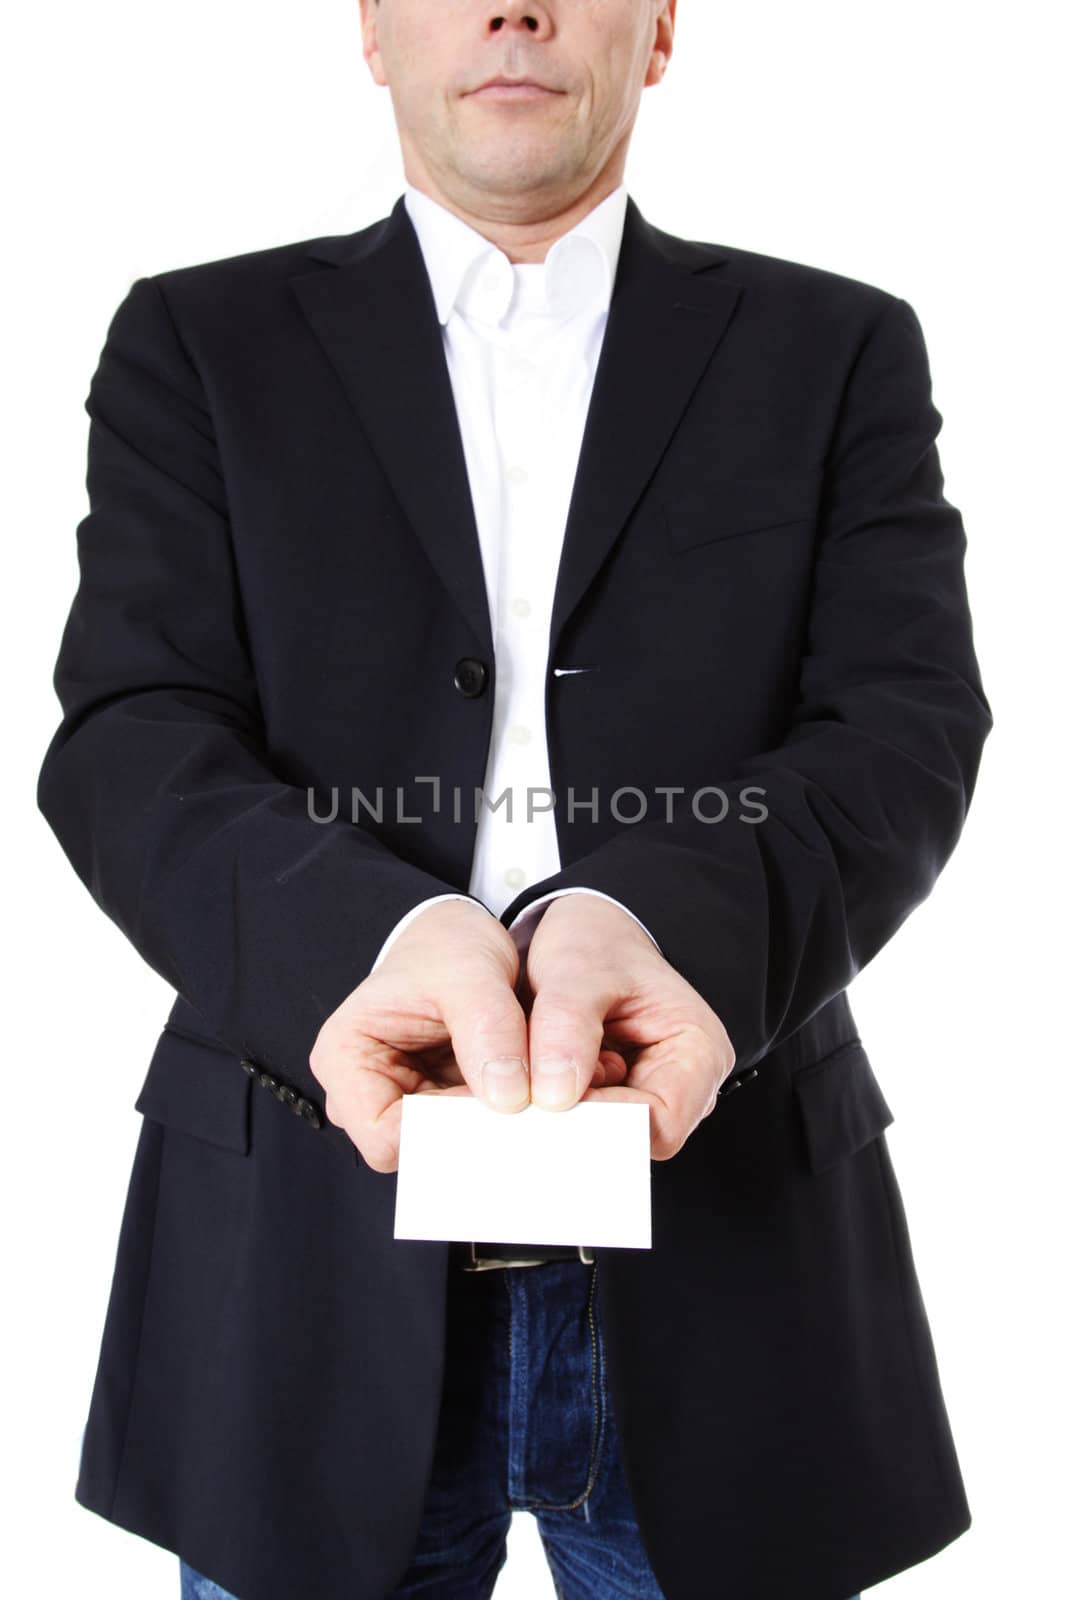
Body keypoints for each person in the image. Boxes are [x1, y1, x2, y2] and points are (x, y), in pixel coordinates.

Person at [37, 2, 992, 1597]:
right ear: (372, 31)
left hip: (734, 1251)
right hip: (299, 1263)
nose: (513, 6)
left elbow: (904, 727)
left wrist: (646, 921)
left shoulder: (839, 350)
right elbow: (133, 734)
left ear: (661, 30)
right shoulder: (199, 345)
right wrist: (380, 934)